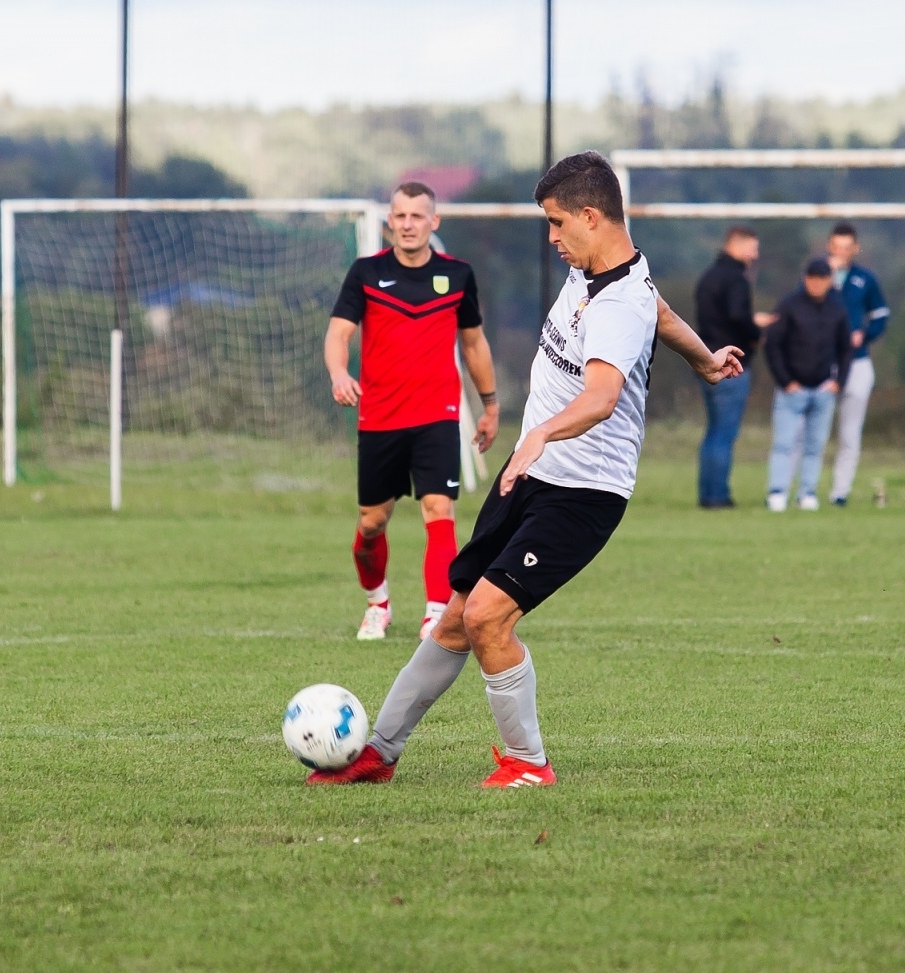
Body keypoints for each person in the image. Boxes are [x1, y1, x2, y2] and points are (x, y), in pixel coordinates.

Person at [308, 151, 741, 788]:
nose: (551, 237)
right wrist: (704, 360)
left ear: (592, 218)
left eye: (557, 223)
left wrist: (539, 432)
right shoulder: (609, 273)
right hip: (531, 474)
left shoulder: (619, 301)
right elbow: (665, 313)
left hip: (582, 492)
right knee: (457, 617)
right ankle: (379, 754)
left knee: (487, 617)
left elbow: (601, 397)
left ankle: (528, 764)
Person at [325, 182, 500, 642]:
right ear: (389, 224)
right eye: (400, 216)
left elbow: (474, 343)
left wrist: (490, 405)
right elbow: (339, 333)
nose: (407, 224)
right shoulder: (365, 273)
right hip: (380, 417)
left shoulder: (458, 275)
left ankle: (436, 615)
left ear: (433, 222)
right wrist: (340, 374)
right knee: (371, 523)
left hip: (438, 415)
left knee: (439, 509)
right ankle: (377, 604)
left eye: (417, 216)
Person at [763, 258, 853, 512]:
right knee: (784, 443)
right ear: (805, 279)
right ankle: (777, 492)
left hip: (823, 387)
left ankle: (807, 493)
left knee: (815, 446)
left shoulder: (837, 309)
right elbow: (773, 345)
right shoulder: (789, 306)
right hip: (793, 388)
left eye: (821, 279)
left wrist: (838, 382)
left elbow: (846, 349)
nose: (816, 284)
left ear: (829, 281)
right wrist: (785, 381)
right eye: (812, 279)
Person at [693, 226, 761, 508]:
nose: (756, 254)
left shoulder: (707, 277)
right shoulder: (736, 279)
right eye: (754, 248)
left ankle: (707, 493)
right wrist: (755, 333)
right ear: (739, 245)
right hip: (730, 366)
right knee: (724, 433)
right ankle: (718, 497)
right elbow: (737, 315)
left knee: (712, 432)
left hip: (704, 360)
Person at [826, 223, 890, 506]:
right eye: (836, 247)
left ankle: (840, 492)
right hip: (822, 362)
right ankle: (803, 492)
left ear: (855, 249)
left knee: (850, 432)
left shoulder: (866, 279)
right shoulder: (818, 276)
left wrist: (864, 334)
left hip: (857, 362)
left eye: (846, 247)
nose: (841, 253)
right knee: (812, 430)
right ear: (829, 247)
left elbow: (880, 316)